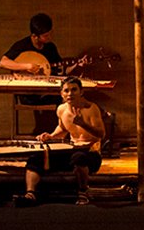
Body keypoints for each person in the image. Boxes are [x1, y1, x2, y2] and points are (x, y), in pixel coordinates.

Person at [18, 77, 106, 206]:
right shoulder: (61, 109)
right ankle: (31, 194)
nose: (70, 94)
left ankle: (83, 191)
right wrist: (51, 136)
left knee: (79, 158)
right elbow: (63, 128)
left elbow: (101, 134)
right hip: (71, 149)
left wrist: (83, 124)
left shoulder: (91, 108)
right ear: (62, 94)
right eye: (66, 91)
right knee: (36, 158)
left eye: (74, 90)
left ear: (81, 92)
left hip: (90, 153)